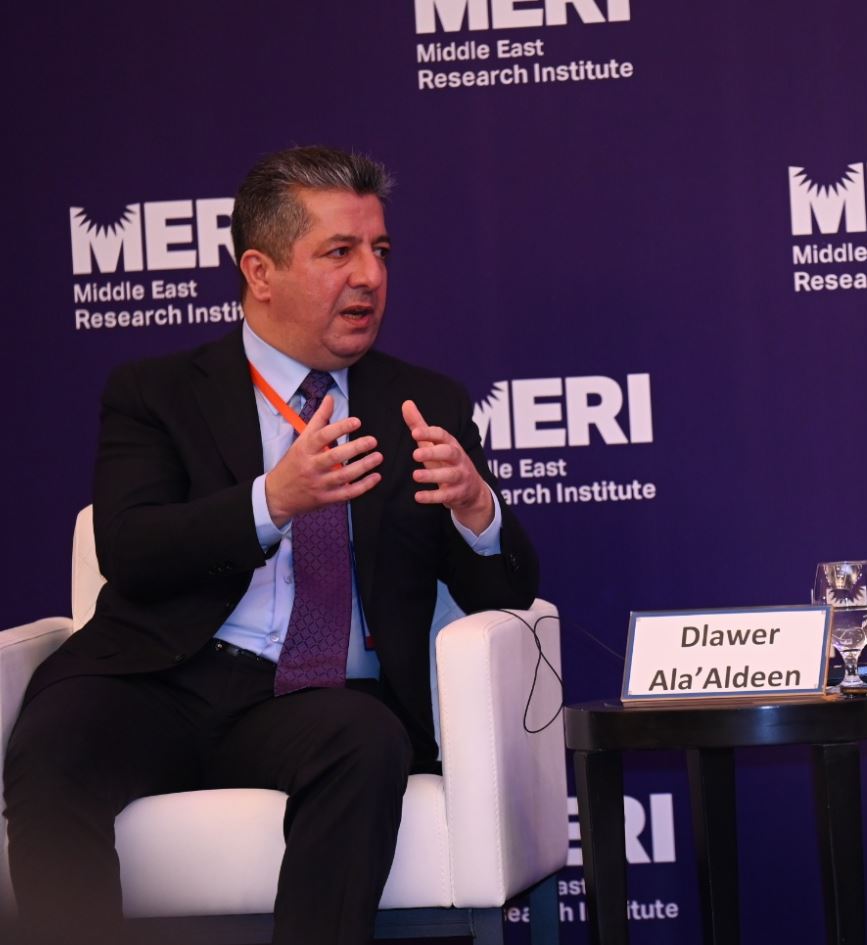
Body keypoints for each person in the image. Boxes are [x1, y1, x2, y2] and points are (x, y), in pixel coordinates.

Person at [2, 146, 539, 945]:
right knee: (54, 745)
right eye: (339, 252)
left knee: (367, 744)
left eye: (380, 250)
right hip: (160, 678)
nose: (370, 276)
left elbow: (506, 593)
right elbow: (131, 546)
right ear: (260, 270)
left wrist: (476, 508)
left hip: (318, 701)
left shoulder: (424, 403)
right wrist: (271, 500)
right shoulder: (156, 392)